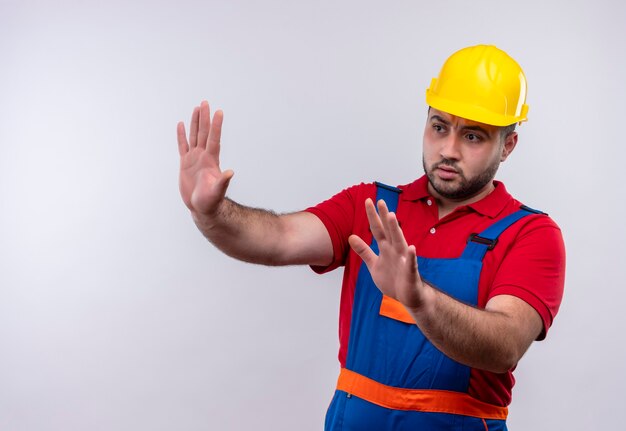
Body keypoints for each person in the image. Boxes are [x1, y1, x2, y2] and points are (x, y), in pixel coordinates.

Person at [176, 45, 566, 430]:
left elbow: (504, 344)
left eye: (474, 136)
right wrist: (212, 213)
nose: (449, 150)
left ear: (507, 145)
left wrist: (418, 298)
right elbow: (278, 238)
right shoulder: (371, 205)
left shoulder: (529, 234)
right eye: (439, 127)